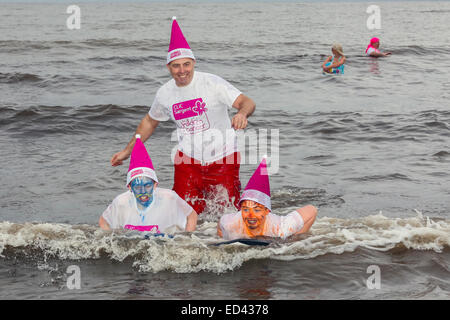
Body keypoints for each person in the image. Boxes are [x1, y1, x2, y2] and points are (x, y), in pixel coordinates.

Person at [110, 17, 256, 215]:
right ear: (168, 67)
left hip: (223, 156)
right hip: (187, 159)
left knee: (226, 210)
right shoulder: (165, 93)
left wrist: (241, 113)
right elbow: (150, 121)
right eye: (176, 66)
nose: (182, 71)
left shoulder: (212, 83)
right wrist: (128, 151)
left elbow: (247, 102)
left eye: (186, 64)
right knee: (184, 211)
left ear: (193, 63)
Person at [100, 134, 197, 233]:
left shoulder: (169, 197)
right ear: (129, 187)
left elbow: (192, 215)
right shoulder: (121, 201)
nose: (143, 192)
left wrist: (186, 239)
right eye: (137, 187)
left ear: (155, 184)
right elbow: (103, 221)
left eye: (147, 186)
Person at [217, 157, 318, 240]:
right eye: (246, 209)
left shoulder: (281, 227)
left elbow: (312, 210)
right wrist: (223, 238)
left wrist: (296, 238)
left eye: (256, 210)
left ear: (266, 211)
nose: (250, 215)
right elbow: (220, 225)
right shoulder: (229, 224)